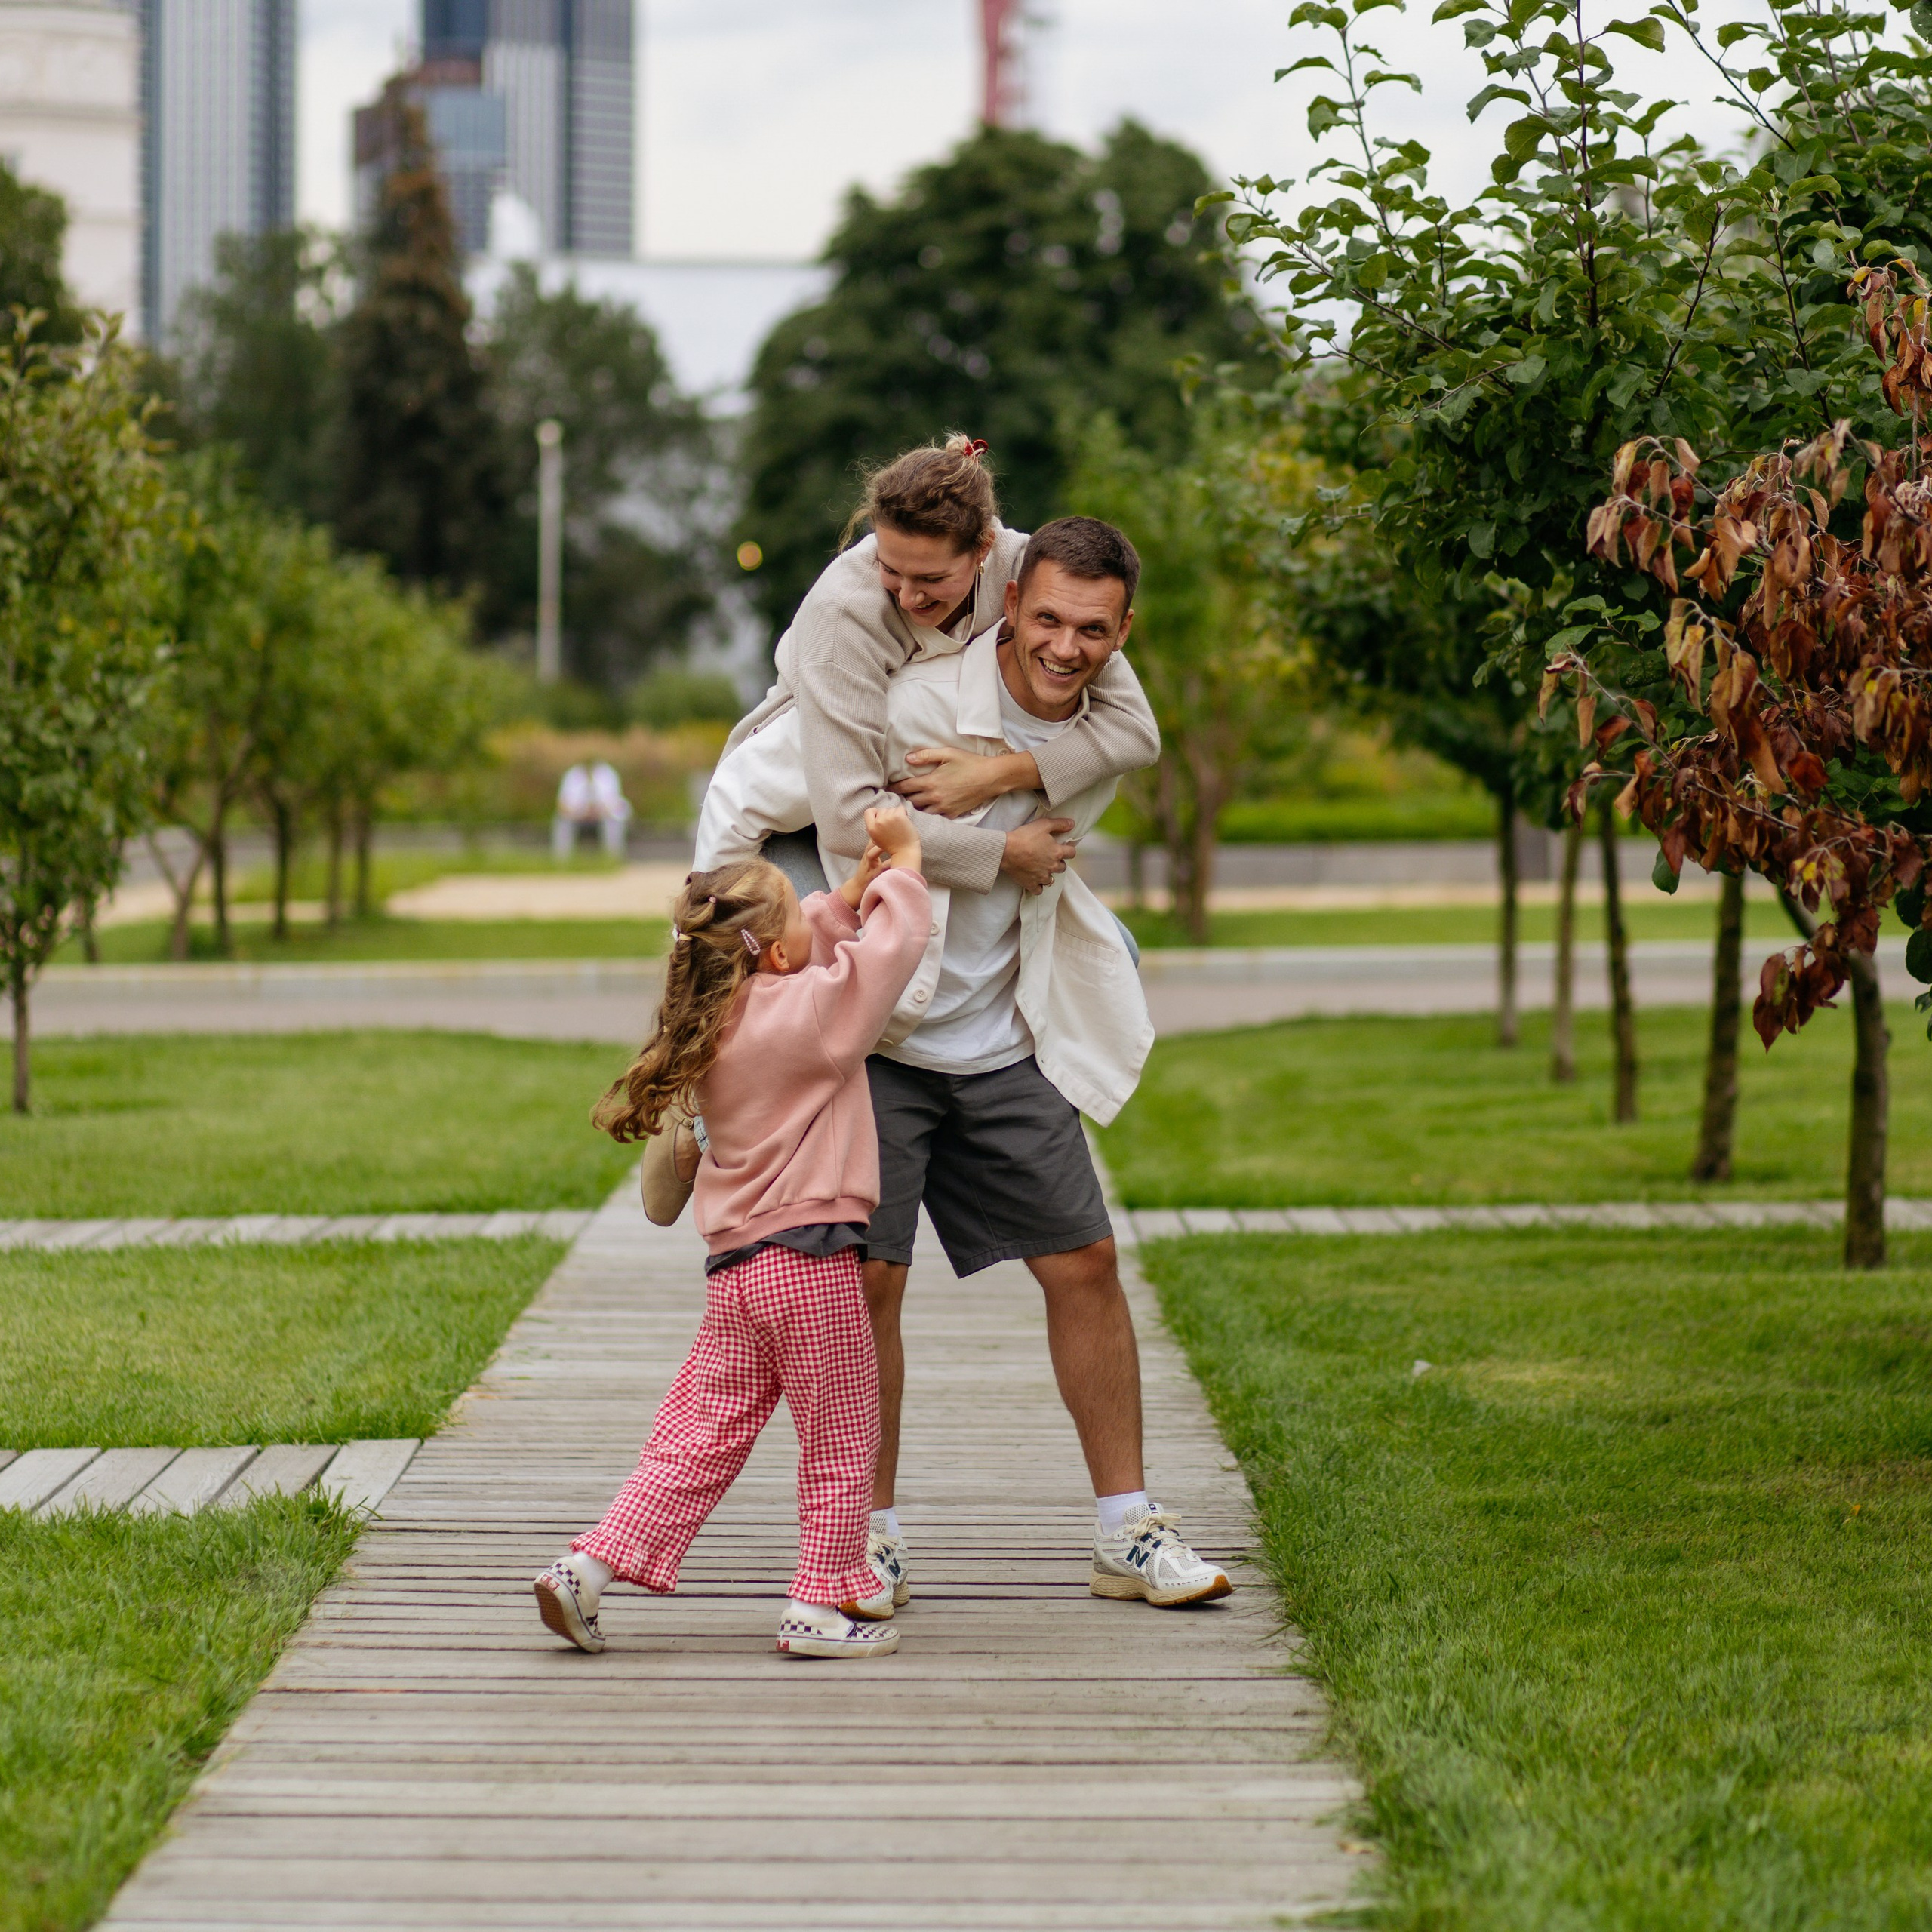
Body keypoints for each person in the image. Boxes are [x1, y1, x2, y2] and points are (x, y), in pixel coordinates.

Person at [700, 514, 1231, 1614]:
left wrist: (1007, 771)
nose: (1065, 646)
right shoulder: (908, 705)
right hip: (881, 1039)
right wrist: (720, 952)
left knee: (1084, 1261)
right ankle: (865, 1541)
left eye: (1093, 630)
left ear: (1124, 631)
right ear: (1012, 599)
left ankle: (1125, 1530)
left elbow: (1133, 741)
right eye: (1046, 619)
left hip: (1005, 1037)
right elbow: (780, 805)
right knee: (865, 1287)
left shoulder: (1101, 718)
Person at [534, 805, 931, 1659]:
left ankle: (587, 1567)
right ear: (780, 955)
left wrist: (847, 893)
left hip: (737, 1272)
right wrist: (903, 867)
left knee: (697, 1431)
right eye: (801, 909)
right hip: (814, 1265)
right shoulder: (813, 1020)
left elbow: (804, 953)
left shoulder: (711, 1027)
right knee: (841, 1436)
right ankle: (819, 1604)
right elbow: (884, 961)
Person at [552, 760, 632, 860]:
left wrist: (599, 811)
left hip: (603, 815)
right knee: (562, 822)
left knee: (613, 822)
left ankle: (612, 859)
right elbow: (562, 805)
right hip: (577, 816)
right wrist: (579, 813)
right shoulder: (572, 774)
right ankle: (561, 860)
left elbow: (615, 803)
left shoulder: (608, 773)